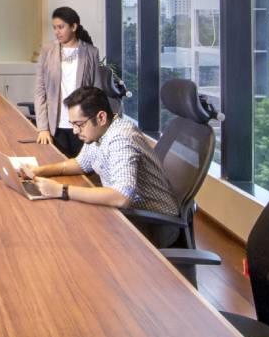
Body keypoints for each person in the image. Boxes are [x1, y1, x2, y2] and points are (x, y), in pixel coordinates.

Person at [18, 85, 182, 246]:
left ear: (101, 117)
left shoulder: (121, 138)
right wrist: (39, 171)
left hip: (152, 223)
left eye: (79, 124)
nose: (75, 131)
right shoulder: (98, 132)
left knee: (71, 236)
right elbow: (80, 163)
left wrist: (61, 190)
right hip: (126, 212)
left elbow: (121, 197)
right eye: (73, 124)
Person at [32, 6, 104, 159]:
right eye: (54, 28)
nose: (57, 32)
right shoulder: (47, 51)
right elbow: (40, 92)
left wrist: (96, 128)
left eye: (61, 27)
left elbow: (97, 92)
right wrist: (42, 128)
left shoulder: (91, 52)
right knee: (56, 165)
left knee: (83, 171)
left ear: (73, 26)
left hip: (82, 126)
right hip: (54, 126)